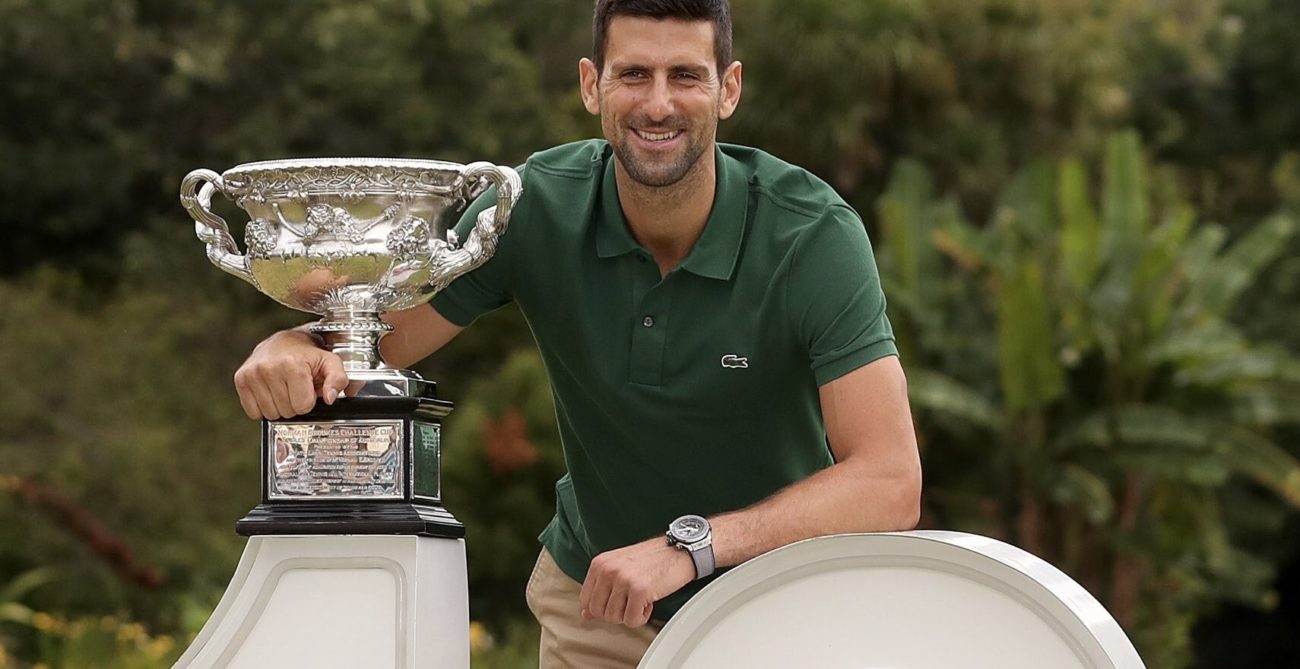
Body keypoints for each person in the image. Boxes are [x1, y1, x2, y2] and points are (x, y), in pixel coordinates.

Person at [233, 0, 922, 665]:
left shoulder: (813, 234)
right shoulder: (530, 207)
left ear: (728, 89)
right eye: (633, 74)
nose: (658, 104)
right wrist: (293, 345)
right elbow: (374, 338)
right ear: (592, 84)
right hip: (596, 604)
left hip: (779, 605)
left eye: (685, 75)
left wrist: (689, 547)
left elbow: (890, 479)